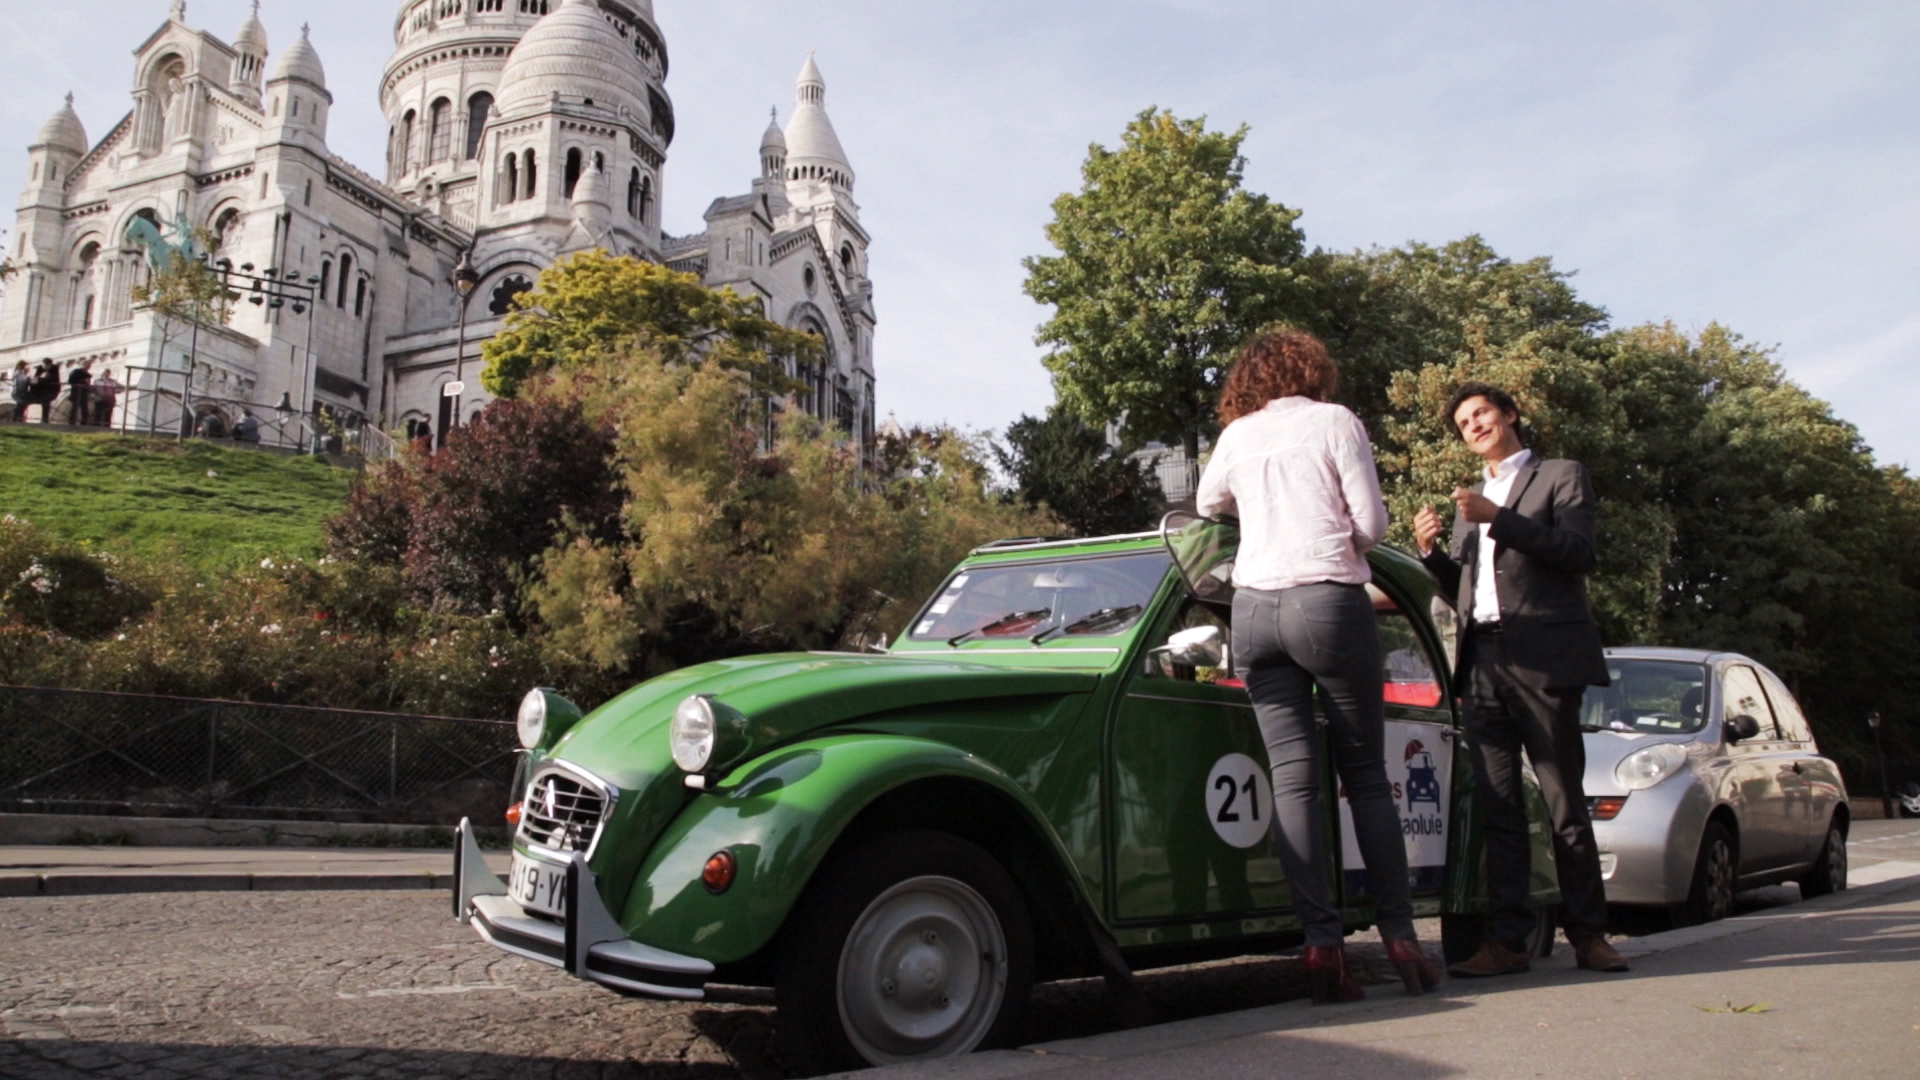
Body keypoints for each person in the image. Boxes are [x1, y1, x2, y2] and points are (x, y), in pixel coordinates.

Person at [1195, 328, 1438, 1004]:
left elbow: (1208, 502)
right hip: (1326, 599)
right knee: (1363, 774)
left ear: (1248, 380)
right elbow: (1372, 523)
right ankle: (1397, 935)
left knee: (1295, 784)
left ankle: (1321, 946)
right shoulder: (1336, 422)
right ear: (1311, 370)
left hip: (1253, 609)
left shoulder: (1237, 435)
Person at [1412, 382, 1627, 977]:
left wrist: (1500, 519)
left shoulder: (1560, 475)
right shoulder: (1473, 499)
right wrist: (1432, 554)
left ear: (1509, 414)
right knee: (1499, 807)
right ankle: (1507, 943)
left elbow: (1576, 551)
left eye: (1481, 413)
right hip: (1482, 661)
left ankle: (1590, 935)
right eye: (1463, 422)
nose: (1473, 426)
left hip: (1544, 658)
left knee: (1562, 801)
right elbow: (1467, 587)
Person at [64, 360, 92, 426]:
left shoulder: (88, 375)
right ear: (82, 365)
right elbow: (71, 380)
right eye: (86, 364)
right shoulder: (76, 372)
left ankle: (83, 423)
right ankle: (72, 422)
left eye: (89, 365)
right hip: (76, 391)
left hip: (84, 393)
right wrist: (81, 382)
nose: (88, 366)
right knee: (75, 407)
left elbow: (87, 384)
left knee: (84, 408)